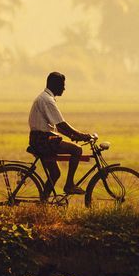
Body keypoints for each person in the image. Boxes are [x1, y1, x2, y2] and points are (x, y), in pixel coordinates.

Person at [27, 70, 96, 200]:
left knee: (55, 173)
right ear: (55, 85)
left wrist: (73, 136)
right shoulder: (47, 100)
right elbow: (61, 125)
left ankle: (43, 203)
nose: (64, 88)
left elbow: (59, 127)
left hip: (39, 139)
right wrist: (81, 135)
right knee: (77, 150)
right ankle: (69, 184)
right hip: (43, 140)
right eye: (62, 85)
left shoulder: (44, 98)